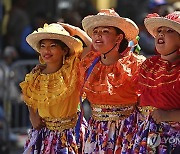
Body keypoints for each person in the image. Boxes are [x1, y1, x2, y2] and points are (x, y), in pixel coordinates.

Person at [77, 9, 146, 153]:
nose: (98, 35)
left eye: (105, 31)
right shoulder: (88, 64)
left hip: (127, 132)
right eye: (95, 31)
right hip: (96, 132)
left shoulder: (134, 65)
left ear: (119, 38)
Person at [19, 23, 85, 153]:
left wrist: (76, 31)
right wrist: (32, 115)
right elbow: (30, 97)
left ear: (64, 50)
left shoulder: (72, 71)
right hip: (44, 136)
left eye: (52, 46)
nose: (46, 51)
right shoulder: (36, 75)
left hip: (70, 135)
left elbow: (92, 50)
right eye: (43, 46)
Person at [133, 11, 180, 153]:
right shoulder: (149, 65)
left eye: (169, 30)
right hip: (148, 137)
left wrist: (168, 116)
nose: (161, 34)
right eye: (159, 30)